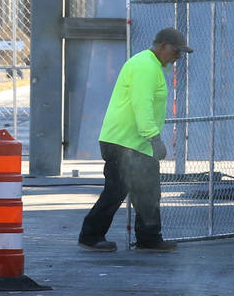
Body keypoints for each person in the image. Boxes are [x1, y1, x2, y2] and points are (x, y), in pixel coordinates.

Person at [77, 28, 191, 253]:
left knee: (147, 191)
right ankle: (90, 236)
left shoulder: (150, 65)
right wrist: (154, 138)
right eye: (176, 51)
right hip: (125, 143)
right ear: (163, 45)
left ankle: (149, 238)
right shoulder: (145, 66)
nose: (178, 57)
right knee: (116, 190)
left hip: (135, 143)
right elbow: (142, 105)